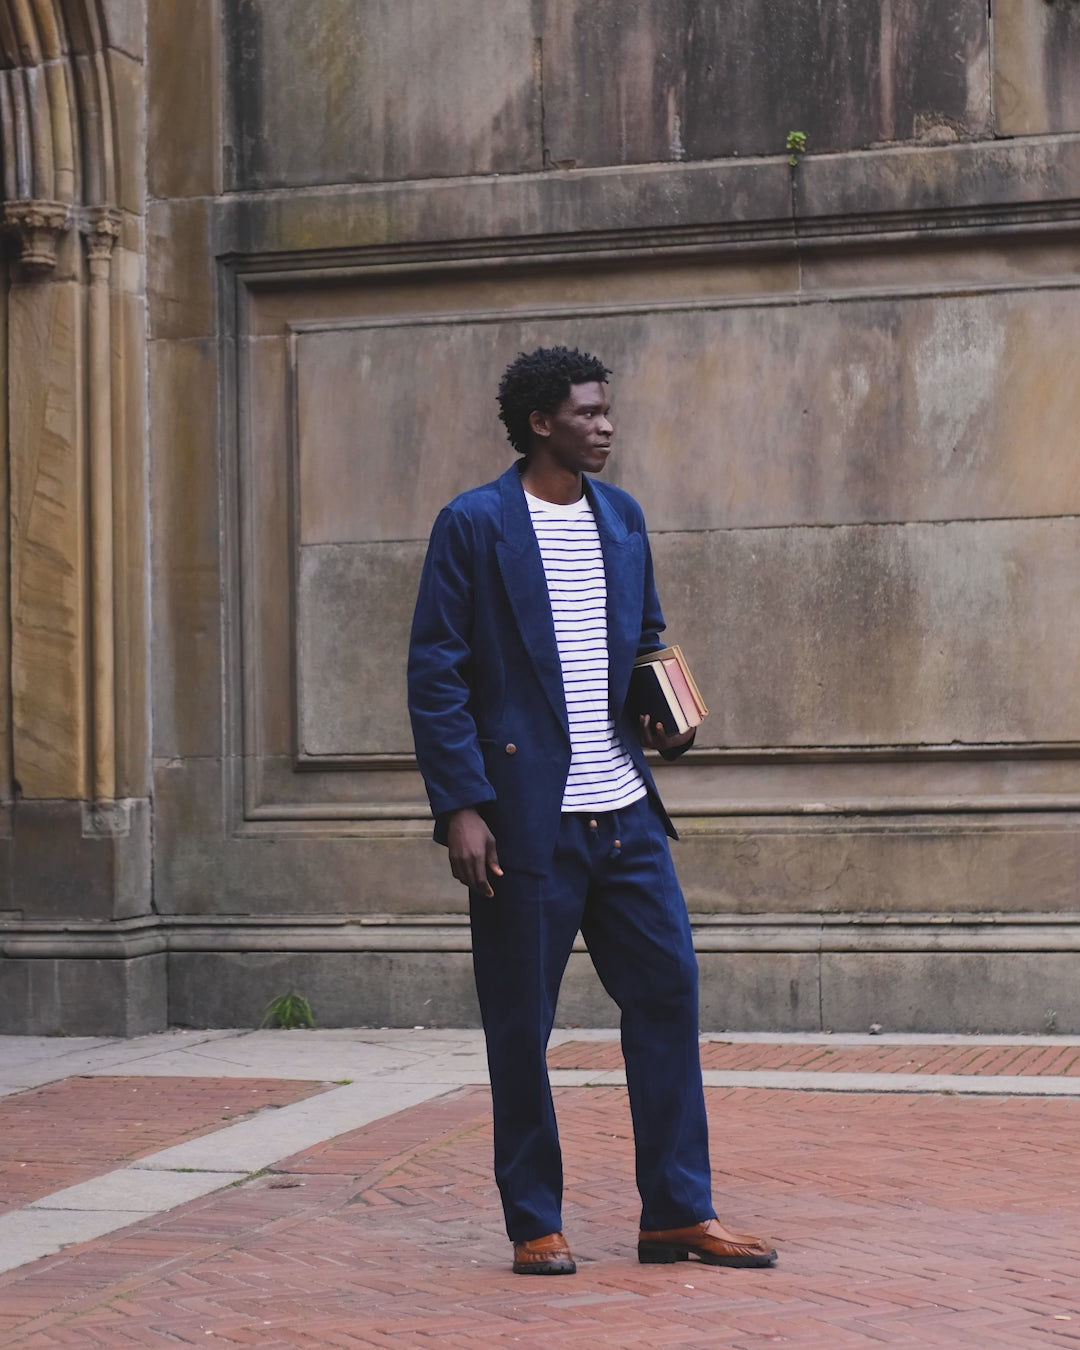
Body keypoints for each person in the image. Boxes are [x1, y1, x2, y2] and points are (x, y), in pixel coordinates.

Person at [407, 345, 776, 1275]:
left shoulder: (622, 518)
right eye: (587, 413)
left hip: (627, 816)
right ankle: (535, 1219)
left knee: (668, 993)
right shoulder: (475, 524)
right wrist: (461, 806)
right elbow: (437, 674)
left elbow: (645, 641)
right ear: (542, 422)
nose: (606, 425)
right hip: (526, 821)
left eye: (607, 412)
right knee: (520, 1024)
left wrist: (672, 720)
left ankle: (676, 1213)